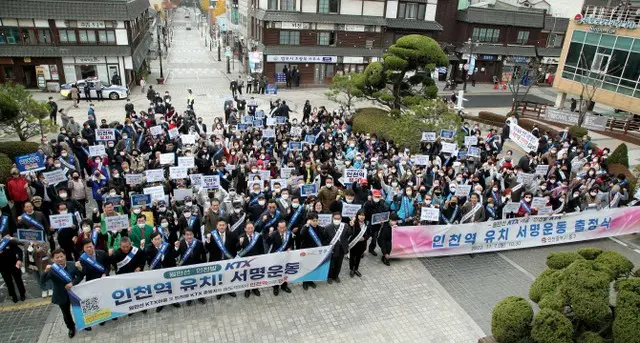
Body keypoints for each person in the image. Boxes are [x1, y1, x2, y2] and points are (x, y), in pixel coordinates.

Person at [42, 249, 80, 338]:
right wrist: (45, 271)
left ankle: (84, 324)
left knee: (79, 309)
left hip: (74, 292)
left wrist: (72, 283)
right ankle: (71, 328)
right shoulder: (52, 269)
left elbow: (80, 276)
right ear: (53, 259)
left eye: (61, 256)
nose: (60, 259)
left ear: (65, 256)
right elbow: (43, 281)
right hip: (61, 294)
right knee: (66, 314)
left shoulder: (72, 264)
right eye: (57, 257)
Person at [145, 232, 180, 312]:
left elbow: (174, 255)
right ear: (152, 240)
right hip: (157, 272)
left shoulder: (167, 246)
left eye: (159, 238)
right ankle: (161, 303)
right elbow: (148, 261)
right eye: (155, 239)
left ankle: (173, 301)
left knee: (170, 287)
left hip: (168, 270)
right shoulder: (148, 249)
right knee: (160, 288)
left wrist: (176, 248)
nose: (158, 241)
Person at [206, 220, 238, 299]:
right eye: (220, 225)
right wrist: (208, 241)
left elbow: (235, 248)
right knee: (219, 277)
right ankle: (220, 291)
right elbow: (208, 249)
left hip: (228, 260)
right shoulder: (212, 235)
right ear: (217, 226)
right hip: (217, 260)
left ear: (226, 226)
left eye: (223, 225)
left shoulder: (232, 234)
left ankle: (229, 289)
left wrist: (233, 257)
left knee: (229, 276)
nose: (221, 227)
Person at [175, 228, 207, 305]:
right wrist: (176, 248)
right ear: (183, 236)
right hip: (186, 267)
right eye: (187, 235)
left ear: (193, 235)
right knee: (188, 283)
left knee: (199, 282)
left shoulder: (198, 242)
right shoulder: (181, 243)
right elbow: (175, 255)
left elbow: (203, 254)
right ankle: (189, 298)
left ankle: (200, 296)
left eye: (190, 235)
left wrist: (204, 264)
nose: (189, 237)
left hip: (197, 266)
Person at [236, 222, 263, 298]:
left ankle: (255, 289)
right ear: (245, 229)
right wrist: (240, 243)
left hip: (256, 260)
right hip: (246, 261)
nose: (250, 230)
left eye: (252, 228)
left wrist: (262, 258)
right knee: (247, 276)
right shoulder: (241, 237)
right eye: (248, 228)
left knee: (255, 275)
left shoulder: (258, 236)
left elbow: (261, 248)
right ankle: (247, 289)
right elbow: (237, 249)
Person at [322, 212, 350, 283]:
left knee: (339, 264)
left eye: (338, 218)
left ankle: (336, 276)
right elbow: (324, 239)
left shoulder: (345, 226)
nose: (337, 220)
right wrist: (329, 246)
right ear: (332, 218)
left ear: (341, 219)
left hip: (341, 248)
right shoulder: (328, 227)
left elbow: (350, 234)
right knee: (331, 264)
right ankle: (330, 277)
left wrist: (352, 226)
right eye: (335, 218)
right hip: (332, 249)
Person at [267, 220, 293, 296]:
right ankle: (275, 287)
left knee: (285, 272)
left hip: (286, 257)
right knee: (276, 273)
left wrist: (290, 248)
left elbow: (291, 243)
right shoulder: (274, 234)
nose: (282, 229)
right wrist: (269, 234)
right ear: (277, 227)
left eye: (284, 227)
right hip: (276, 256)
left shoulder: (289, 234)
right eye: (280, 228)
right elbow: (268, 242)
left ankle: (284, 286)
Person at [299, 213, 323, 290]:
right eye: (313, 220)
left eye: (316, 220)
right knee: (306, 267)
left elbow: (323, 238)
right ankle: (305, 282)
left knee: (313, 267)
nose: (315, 222)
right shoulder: (306, 228)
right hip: (306, 252)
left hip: (315, 252)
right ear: (309, 221)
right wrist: (307, 225)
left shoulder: (319, 228)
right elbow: (301, 234)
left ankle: (310, 281)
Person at [0, 235, 26, 303]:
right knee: (8, 283)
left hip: (14, 265)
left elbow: (18, 251)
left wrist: (19, 259)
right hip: (3, 268)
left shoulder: (8, 242)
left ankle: (22, 294)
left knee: (18, 280)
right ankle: (13, 296)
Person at [348, 209, 369, 277]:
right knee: (352, 257)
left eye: (363, 215)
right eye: (360, 215)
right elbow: (350, 232)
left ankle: (356, 269)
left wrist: (365, 238)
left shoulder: (367, 223)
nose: (361, 217)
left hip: (362, 244)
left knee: (358, 257)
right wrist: (351, 225)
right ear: (357, 215)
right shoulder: (354, 222)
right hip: (354, 244)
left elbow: (369, 233)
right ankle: (351, 269)